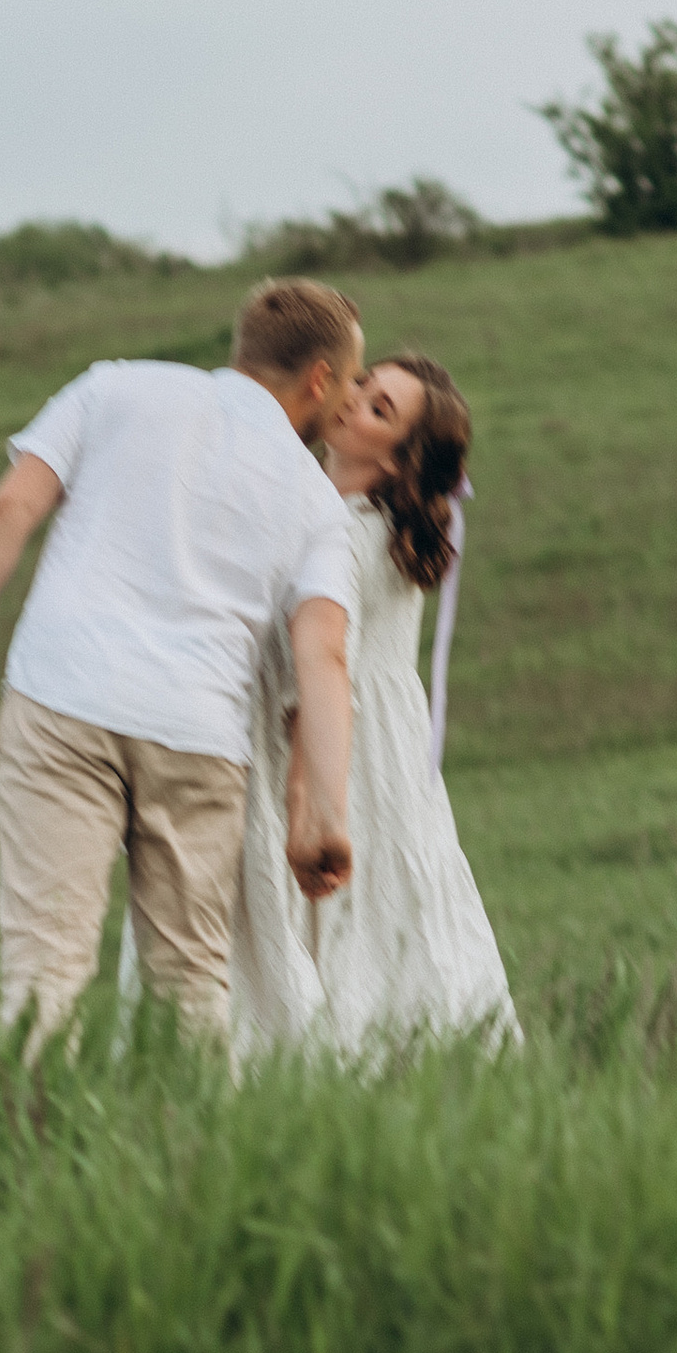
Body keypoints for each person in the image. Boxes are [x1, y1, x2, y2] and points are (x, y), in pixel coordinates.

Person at [0, 278, 363, 1046]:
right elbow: (324, 654)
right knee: (188, 981)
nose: (346, 401)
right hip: (197, 734)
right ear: (319, 378)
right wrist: (326, 816)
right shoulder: (317, 503)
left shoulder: (112, 387)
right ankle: (187, 1157)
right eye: (349, 382)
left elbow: (7, 510)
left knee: (45, 963)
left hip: (63, 700)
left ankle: (31, 1147)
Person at [204, 347, 517, 1057]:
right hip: (388, 750)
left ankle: (332, 1055)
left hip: (330, 745)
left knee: (340, 918)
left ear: (402, 459)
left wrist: (305, 791)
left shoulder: (344, 534)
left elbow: (321, 663)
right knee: (394, 908)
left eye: (380, 410)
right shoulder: (378, 526)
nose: (353, 400)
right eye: (366, 383)